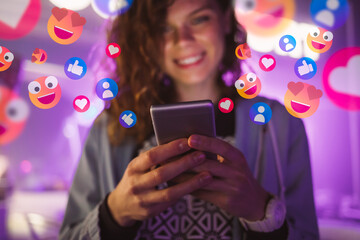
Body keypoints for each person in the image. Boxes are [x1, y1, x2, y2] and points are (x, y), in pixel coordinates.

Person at [59, 0, 319, 239]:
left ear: (226, 19)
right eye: (163, 28)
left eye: (199, 19)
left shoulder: (279, 124)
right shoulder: (111, 125)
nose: (182, 40)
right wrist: (113, 215)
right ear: (144, 38)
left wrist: (261, 211)